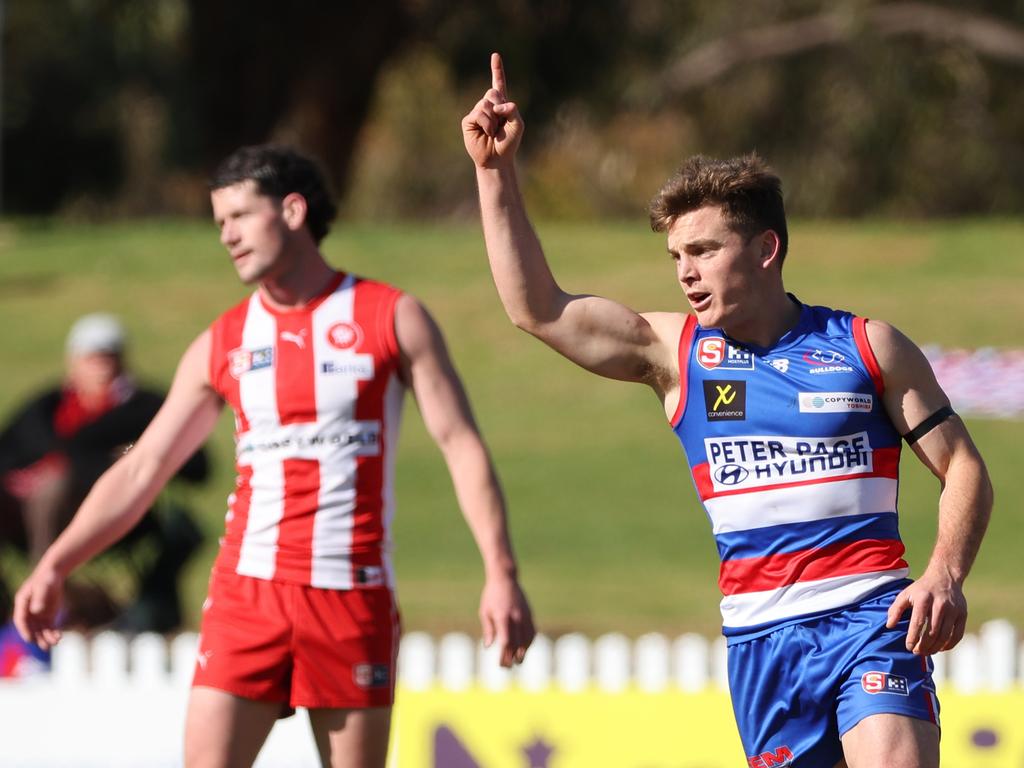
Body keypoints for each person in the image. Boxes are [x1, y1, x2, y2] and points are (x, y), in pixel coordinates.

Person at [462, 54, 992, 767]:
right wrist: (495, 173)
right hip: (761, 644)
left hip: (870, 617)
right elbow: (539, 309)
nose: (685, 271)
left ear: (767, 249)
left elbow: (962, 466)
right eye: (677, 254)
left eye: (705, 250)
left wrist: (944, 575)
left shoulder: (867, 346)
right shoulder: (672, 352)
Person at [14, 144, 534, 768]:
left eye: (239, 216)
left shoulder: (390, 316)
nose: (227, 236)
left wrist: (500, 572)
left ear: (292, 211)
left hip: (350, 591)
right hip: (247, 592)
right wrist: (56, 565)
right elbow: (143, 467)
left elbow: (461, 445)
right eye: (219, 224)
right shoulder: (223, 340)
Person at [0, 313, 207, 635]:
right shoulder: (47, 407)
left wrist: (129, 454)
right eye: (91, 358)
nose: (100, 366)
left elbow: (193, 463)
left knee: (54, 486)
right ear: (73, 361)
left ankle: (52, 591)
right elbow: (10, 451)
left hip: (113, 512)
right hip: (26, 514)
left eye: (107, 357)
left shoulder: (144, 406)